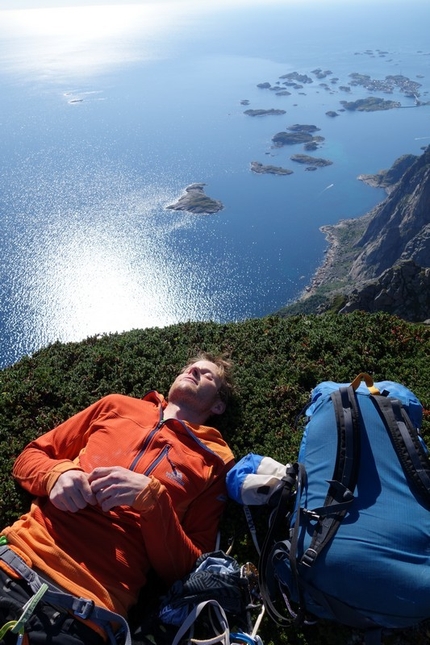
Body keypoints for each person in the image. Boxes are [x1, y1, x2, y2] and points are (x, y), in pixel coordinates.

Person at [0, 352, 235, 645]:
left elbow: (188, 569)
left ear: (218, 404)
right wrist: (55, 474)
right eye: (190, 367)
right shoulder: (116, 405)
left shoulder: (217, 461)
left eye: (207, 374)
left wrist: (153, 502)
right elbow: (29, 457)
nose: (194, 371)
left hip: (86, 612)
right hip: (14, 560)